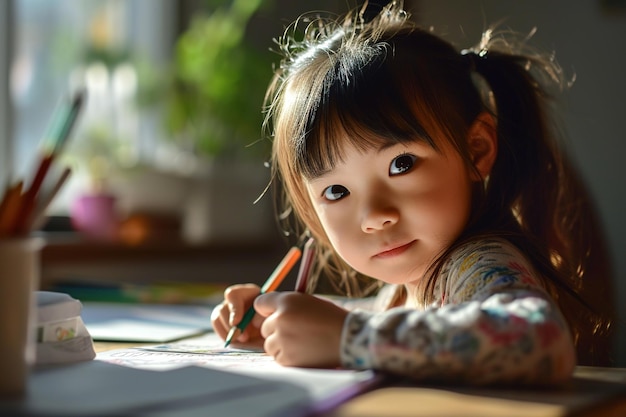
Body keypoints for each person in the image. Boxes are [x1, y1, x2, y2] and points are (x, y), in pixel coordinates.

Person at [211, 0, 615, 385]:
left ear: (476, 150)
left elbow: (539, 341)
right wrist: (282, 324)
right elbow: (407, 331)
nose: (373, 215)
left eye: (401, 164)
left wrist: (346, 336)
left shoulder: (477, 262)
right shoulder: (409, 283)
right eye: (336, 190)